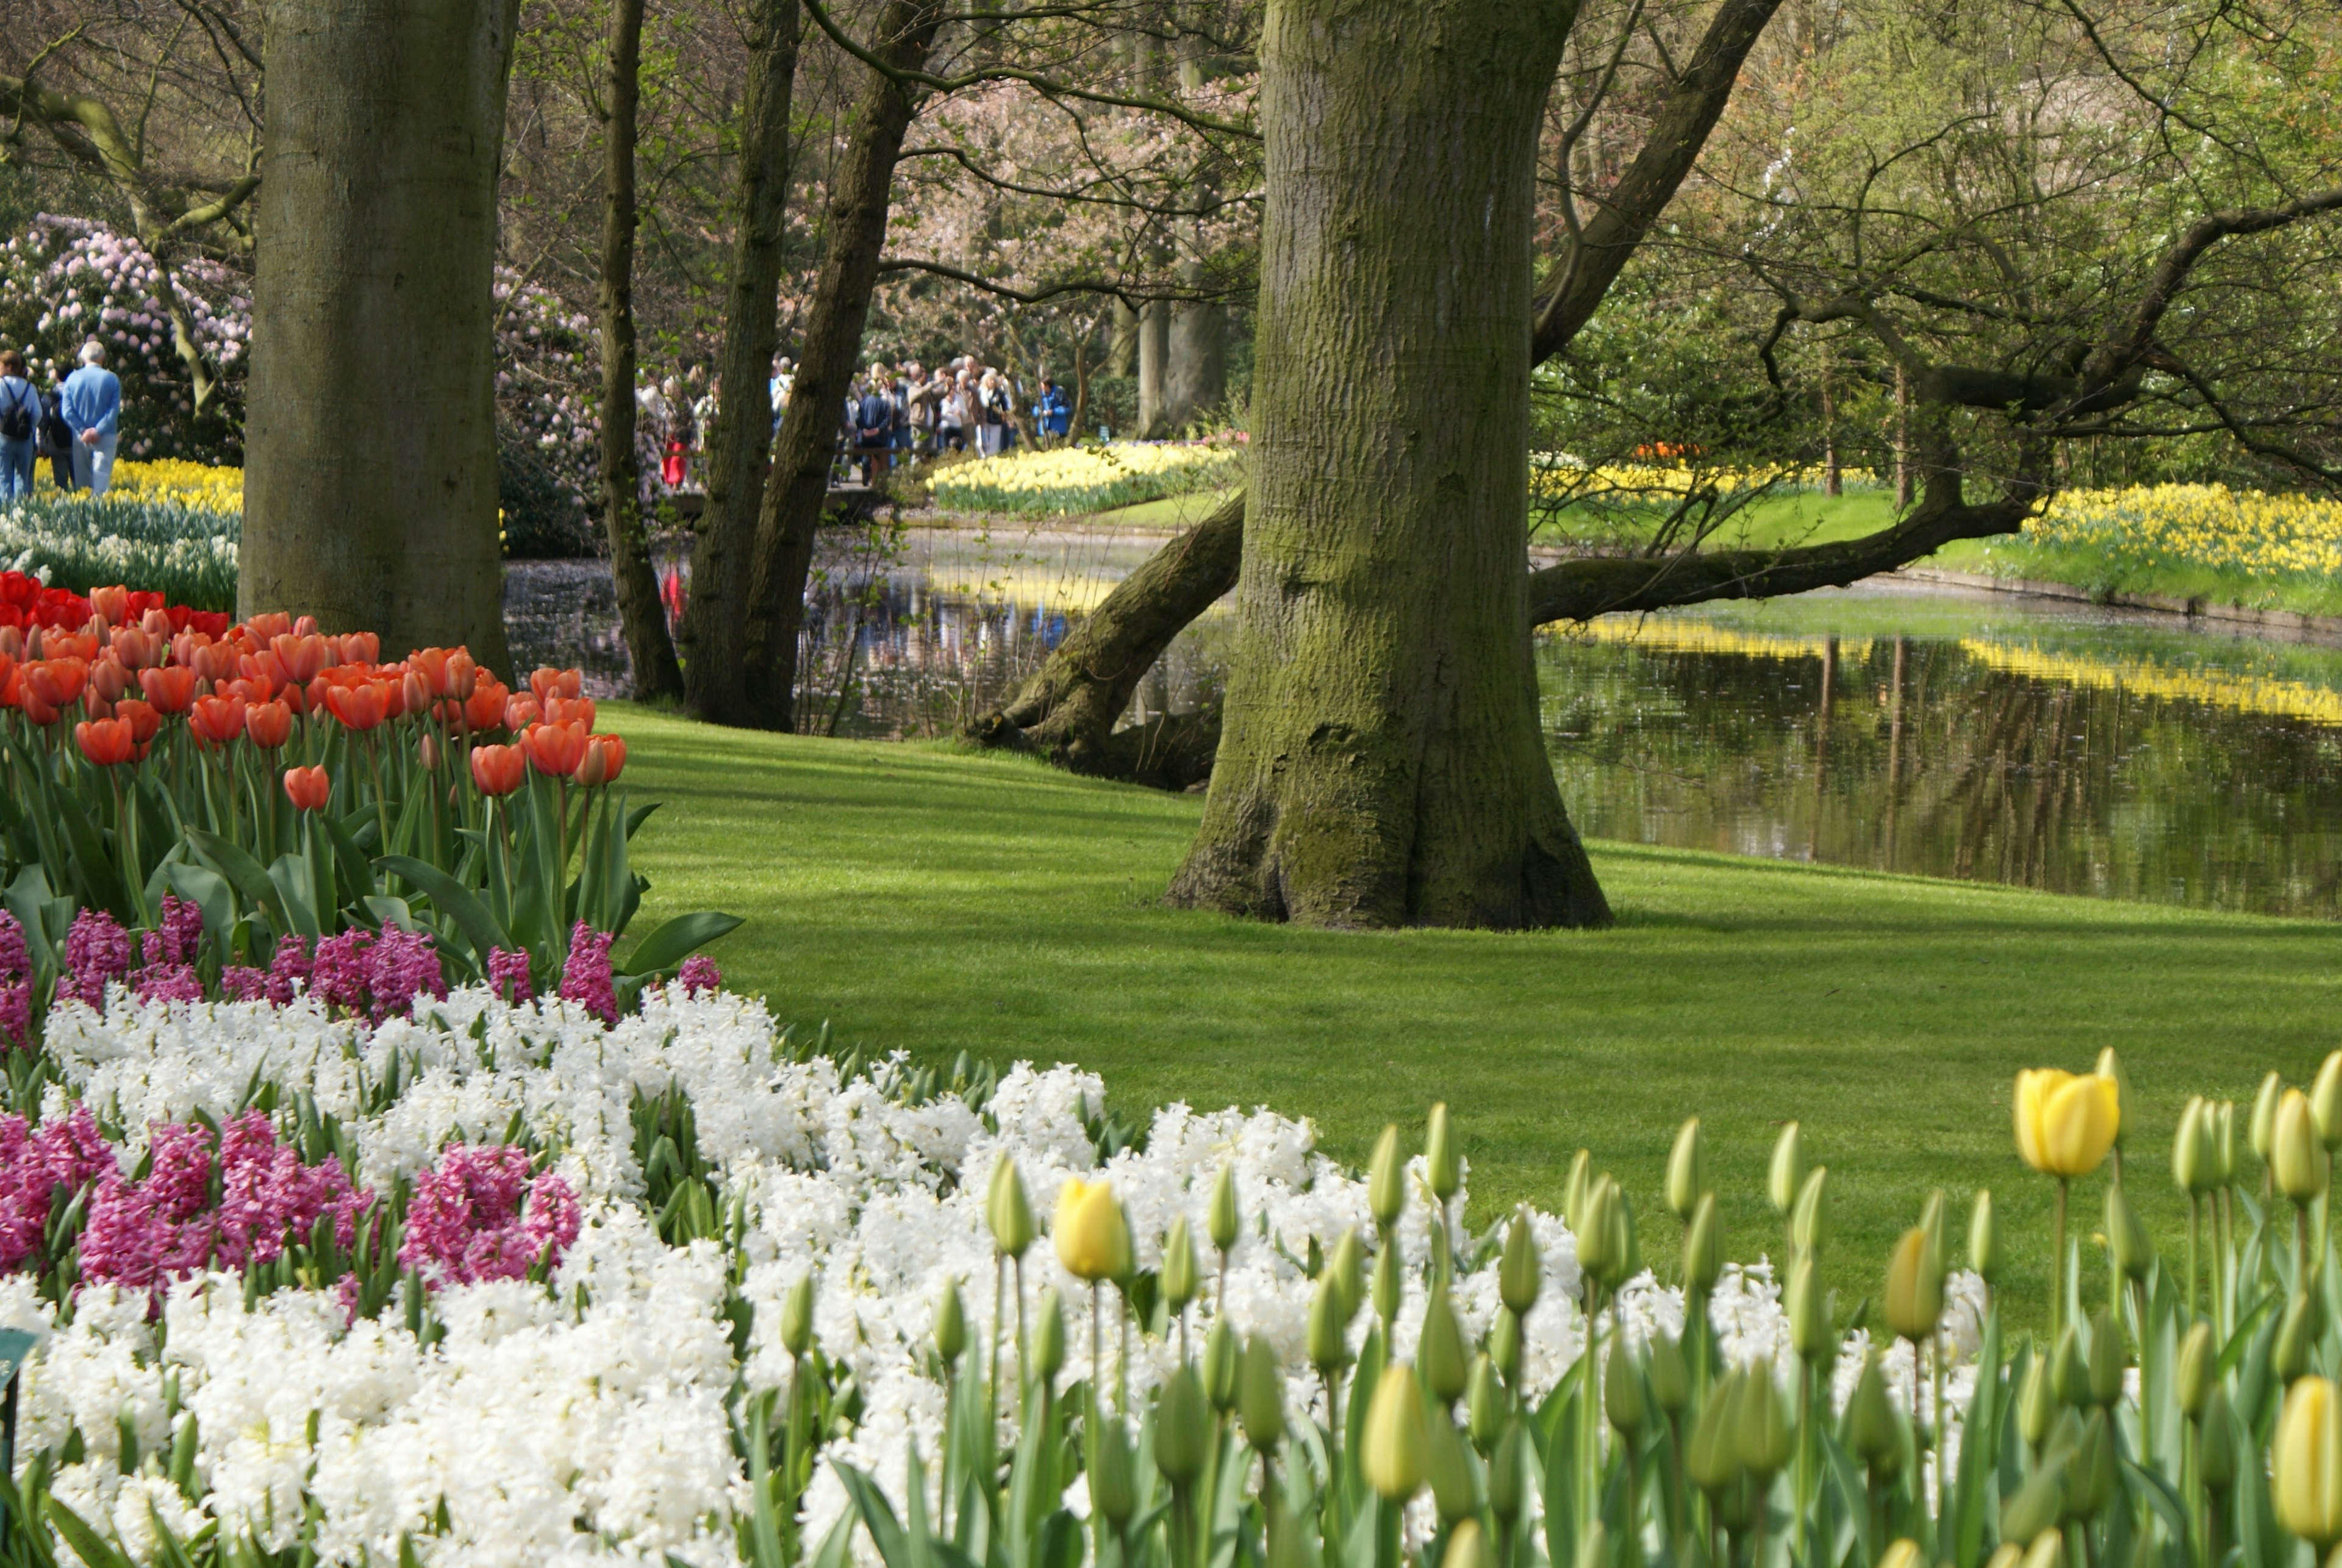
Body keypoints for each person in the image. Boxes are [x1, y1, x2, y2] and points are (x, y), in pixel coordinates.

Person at [60, 339, 121, 499]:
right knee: (102, 480)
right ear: (103, 358)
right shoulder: (112, 379)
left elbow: (67, 411)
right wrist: (97, 430)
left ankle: (84, 516)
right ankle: (101, 516)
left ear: (83, 358)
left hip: (81, 438)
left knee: (82, 482)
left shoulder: (72, 378)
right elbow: (113, 411)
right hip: (106, 435)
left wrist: (83, 430)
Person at [0, 350, 38, 503]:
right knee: (22, 476)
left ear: (9, 367)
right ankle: (22, 508)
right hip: (24, 438)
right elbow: (38, 413)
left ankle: (5, 512)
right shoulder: (30, 387)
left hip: (3, 437)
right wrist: (30, 428)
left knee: (3, 476)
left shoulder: (1, 385)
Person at [853, 371, 893, 483]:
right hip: (879, 437)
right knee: (880, 459)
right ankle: (879, 481)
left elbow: (858, 418)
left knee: (866, 456)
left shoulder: (864, 402)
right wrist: (878, 429)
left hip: (865, 436)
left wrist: (864, 429)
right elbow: (888, 419)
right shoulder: (884, 402)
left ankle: (866, 476)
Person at [1033, 377, 1072, 445]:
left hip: (1059, 429)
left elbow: (1067, 408)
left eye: (1043, 386)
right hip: (1045, 429)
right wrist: (1039, 412)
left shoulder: (1059, 393)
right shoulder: (1041, 395)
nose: (1041, 388)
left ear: (1048, 386)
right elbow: (1035, 409)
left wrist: (1054, 412)